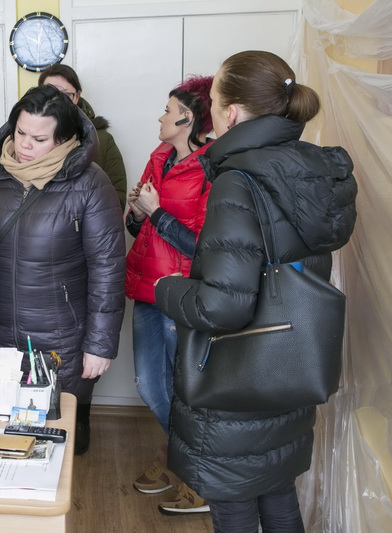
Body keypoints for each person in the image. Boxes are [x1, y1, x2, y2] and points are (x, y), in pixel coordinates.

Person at [154, 50, 357, 532]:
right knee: (277, 494)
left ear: (231, 112)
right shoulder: (311, 169)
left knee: (236, 506)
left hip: (237, 378)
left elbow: (222, 305)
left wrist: (168, 289)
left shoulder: (238, 180)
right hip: (291, 365)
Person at [0, 84, 126, 455]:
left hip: (60, 337)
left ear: (64, 139)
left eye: (39, 138)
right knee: (0, 435)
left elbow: (107, 269)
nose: (24, 146)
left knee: (53, 438)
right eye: (19, 133)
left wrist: (100, 345)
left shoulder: (90, 184)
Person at [125, 75, 214, 515]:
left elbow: (202, 248)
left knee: (180, 391)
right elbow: (137, 225)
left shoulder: (212, 168)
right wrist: (136, 212)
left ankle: (197, 476)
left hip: (180, 293)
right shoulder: (158, 156)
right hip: (145, 287)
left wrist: (155, 211)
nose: (160, 116)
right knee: (149, 384)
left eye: (167, 109)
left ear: (188, 117)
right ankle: (178, 459)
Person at [38, 64, 128, 211]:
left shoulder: (102, 140)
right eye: (49, 92)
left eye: (65, 94)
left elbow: (115, 200)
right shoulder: (22, 137)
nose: (56, 100)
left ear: (77, 97)